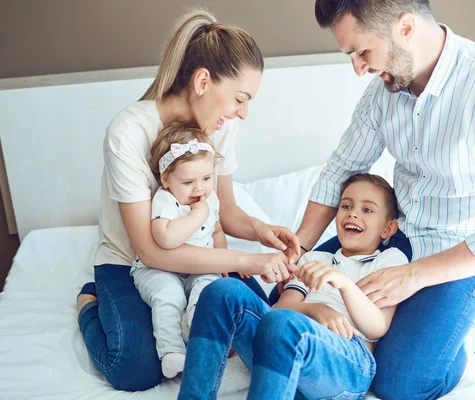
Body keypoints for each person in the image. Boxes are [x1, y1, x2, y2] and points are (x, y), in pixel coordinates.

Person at [291, 1, 475, 398]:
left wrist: (413, 275)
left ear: (406, 27)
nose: (359, 68)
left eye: (362, 51)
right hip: (397, 232)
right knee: (288, 294)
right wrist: (301, 248)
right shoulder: (384, 91)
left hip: (462, 250)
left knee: (400, 383)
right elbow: (340, 169)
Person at [76, 9, 299, 391]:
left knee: (257, 335)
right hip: (132, 261)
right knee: (135, 369)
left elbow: (225, 212)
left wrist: (263, 232)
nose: (243, 114)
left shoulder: (219, 127)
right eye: (239, 99)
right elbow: (150, 251)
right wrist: (245, 260)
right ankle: (87, 304)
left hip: (197, 254)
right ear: (202, 81)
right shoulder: (128, 132)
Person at [178, 173, 409, 400]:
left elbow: (377, 327)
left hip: (348, 362)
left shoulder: (390, 260)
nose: (353, 214)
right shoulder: (315, 260)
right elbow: (281, 311)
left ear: (387, 229)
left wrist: (345, 285)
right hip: (282, 353)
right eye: (346, 206)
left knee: (285, 325)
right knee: (221, 291)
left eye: (367, 210)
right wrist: (317, 309)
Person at [130, 122, 226, 378]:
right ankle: (171, 352)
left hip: (199, 267)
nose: (199, 188)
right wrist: (198, 214)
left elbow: (216, 231)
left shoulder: (210, 198)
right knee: (169, 296)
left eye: (206, 178)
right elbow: (166, 238)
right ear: (166, 179)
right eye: (188, 181)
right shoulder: (165, 199)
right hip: (159, 269)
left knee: (207, 291)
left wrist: (224, 261)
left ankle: (200, 336)